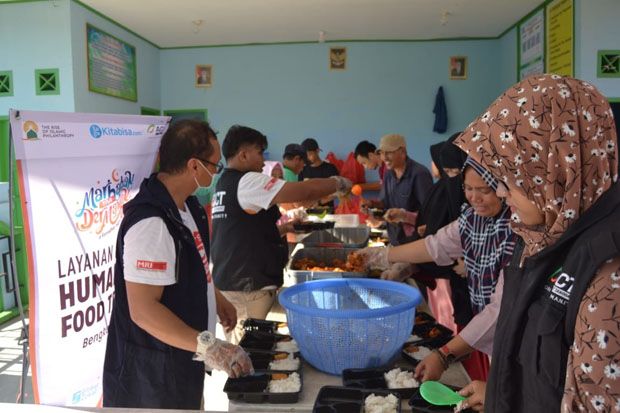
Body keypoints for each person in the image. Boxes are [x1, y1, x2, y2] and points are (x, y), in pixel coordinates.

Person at [448, 74, 620, 412]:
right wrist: (500, 391)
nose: (499, 192)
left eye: (510, 177)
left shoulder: (608, 277)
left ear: (555, 168)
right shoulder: (544, 234)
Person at [103, 120, 253, 409]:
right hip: (151, 377)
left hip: (183, 359)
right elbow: (144, 311)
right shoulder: (151, 223)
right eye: (215, 165)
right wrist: (212, 347)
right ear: (194, 166)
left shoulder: (189, 207)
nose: (216, 172)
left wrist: (215, 296)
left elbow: (192, 263)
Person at [359, 157, 515, 382]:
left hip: (513, 333)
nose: (474, 198)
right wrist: (384, 256)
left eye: (484, 190)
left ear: (503, 189)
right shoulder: (472, 219)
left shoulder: (516, 229)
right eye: (468, 188)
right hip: (483, 320)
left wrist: (443, 355)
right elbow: (435, 246)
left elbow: (500, 309)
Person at [211, 125, 352, 344]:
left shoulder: (224, 183)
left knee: (250, 349)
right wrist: (338, 183)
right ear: (244, 154)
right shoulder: (246, 181)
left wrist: (285, 229)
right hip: (247, 287)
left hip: (237, 283)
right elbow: (304, 192)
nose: (262, 162)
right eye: (259, 153)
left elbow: (244, 232)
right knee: (249, 352)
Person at [362, 133, 433, 246]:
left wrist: (404, 216)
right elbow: (384, 203)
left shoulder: (419, 174)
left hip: (415, 242)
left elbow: (430, 213)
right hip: (395, 239)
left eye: (389, 152)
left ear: (403, 152)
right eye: (381, 153)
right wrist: (371, 205)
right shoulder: (388, 174)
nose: (384, 158)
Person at [299, 138, 339, 208]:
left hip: (327, 212)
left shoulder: (330, 168)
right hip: (308, 212)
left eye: (309, 154)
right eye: (305, 156)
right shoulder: (303, 170)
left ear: (317, 151)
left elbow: (338, 191)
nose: (307, 158)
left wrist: (319, 202)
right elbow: (300, 193)